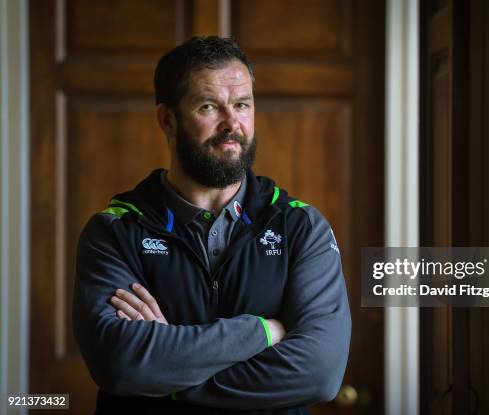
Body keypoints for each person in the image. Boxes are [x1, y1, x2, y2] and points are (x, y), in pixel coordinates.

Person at [72, 36, 351, 414]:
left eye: (242, 105)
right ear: (167, 120)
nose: (231, 123)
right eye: (209, 106)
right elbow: (119, 365)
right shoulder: (114, 231)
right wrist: (264, 332)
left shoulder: (300, 227)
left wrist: (165, 376)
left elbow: (319, 373)